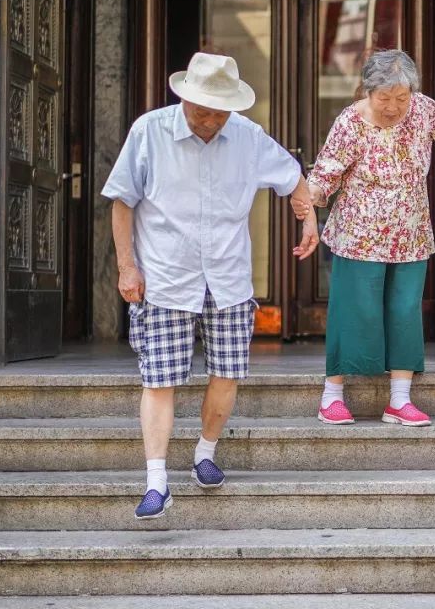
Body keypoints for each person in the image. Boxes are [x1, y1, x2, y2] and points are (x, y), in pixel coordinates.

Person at [102, 52, 319, 519]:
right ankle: (156, 482)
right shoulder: (149, 131)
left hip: (227, 277)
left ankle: (205, 452)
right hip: (164, 276)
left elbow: (292, 177)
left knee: (226, 374)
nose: (211, 121)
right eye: (203, 111)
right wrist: (127, 268)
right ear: (184, 98)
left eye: (220, 113)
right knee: (159, 380)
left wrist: (309, 219)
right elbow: (122, 202)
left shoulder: (248, 136)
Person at [294, 49, 435, 427]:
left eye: (401, 97)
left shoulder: (422, 109)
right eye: (385, 98)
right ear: (368, 91)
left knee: (404, 312)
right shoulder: (351, 122)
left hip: (410, 233)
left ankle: (399, 400)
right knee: (355, 310)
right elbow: (326, 174)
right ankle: (331, 395)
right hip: (358, 233)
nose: (394, 106)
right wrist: (308, 201)